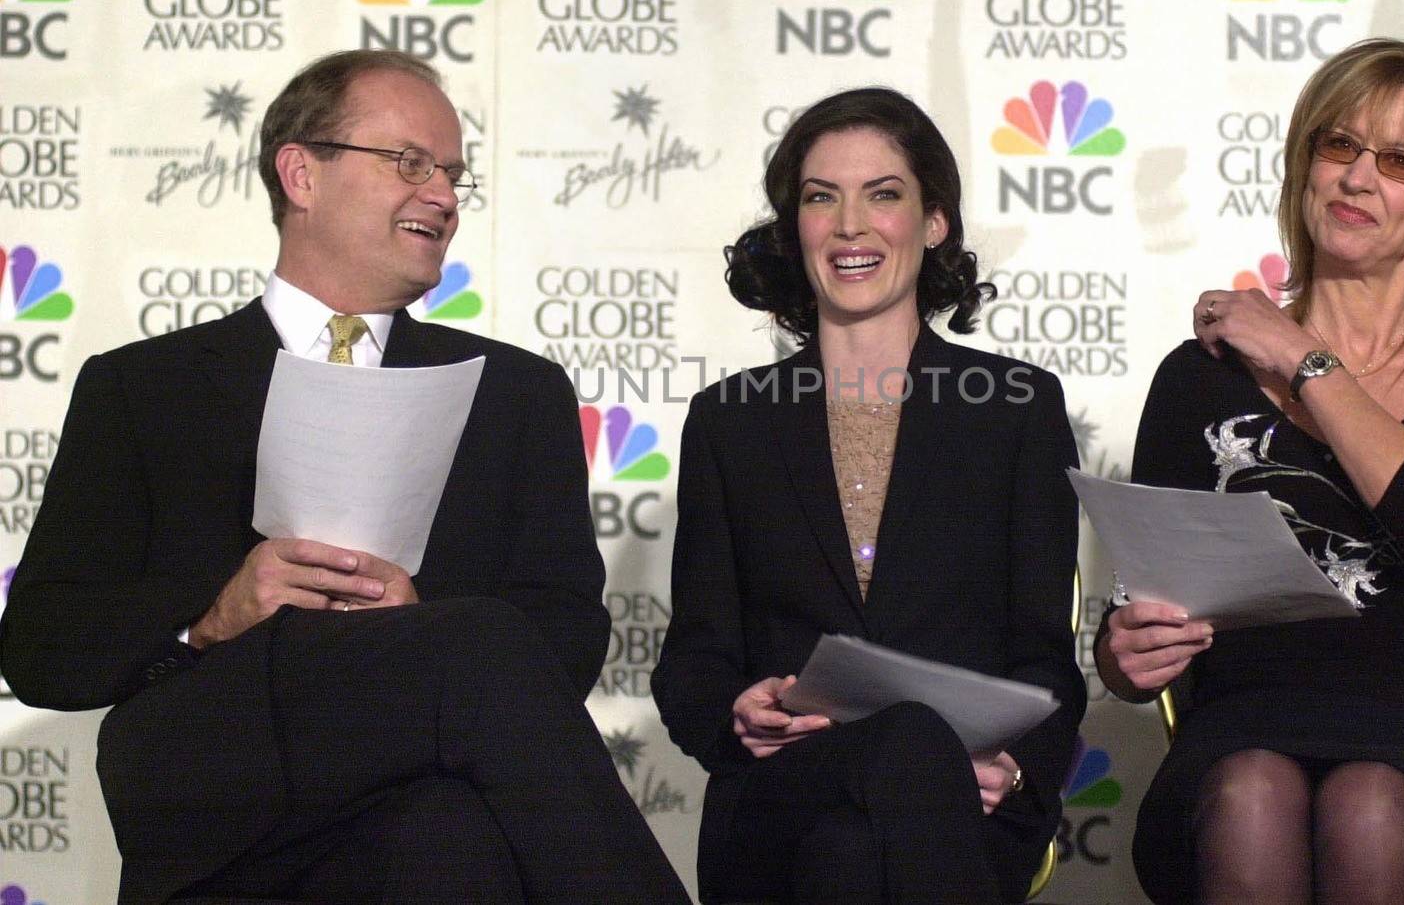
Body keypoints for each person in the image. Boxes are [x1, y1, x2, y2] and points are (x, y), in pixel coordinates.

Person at [0, 50, 689, 905]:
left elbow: (564, 633)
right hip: (215, 765)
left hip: (421, 770)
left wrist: (416, 630)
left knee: (448, 826)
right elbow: (39, 646)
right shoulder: (143, 387)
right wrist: (214, 616)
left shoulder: (516, 393)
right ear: (301, 173)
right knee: (472, 653)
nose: (441, 195)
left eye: (452, 176)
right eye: (409, 163)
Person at [1096, 39, 1404, 905]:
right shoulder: (1201, 376)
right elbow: (1138, 618)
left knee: (1368, 804)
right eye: (1338, 146)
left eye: (1399, 161)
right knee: (1252, 793)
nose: (1356, 177)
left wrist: (1304, 355)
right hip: (1236, 731)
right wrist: (1127, 655)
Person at [652, 87, 1086, 904]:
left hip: (965, 802)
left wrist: (1014, 766)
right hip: (777, 797)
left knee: (859, 847)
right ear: (797, 230)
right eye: (823, 198)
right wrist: (735, 709)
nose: (850, 224)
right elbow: (694, 664)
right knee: (905, 749)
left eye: (883, 194)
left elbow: (1043, 658)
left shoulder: (1018, 410)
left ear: (933, 222)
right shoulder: (729, 421)